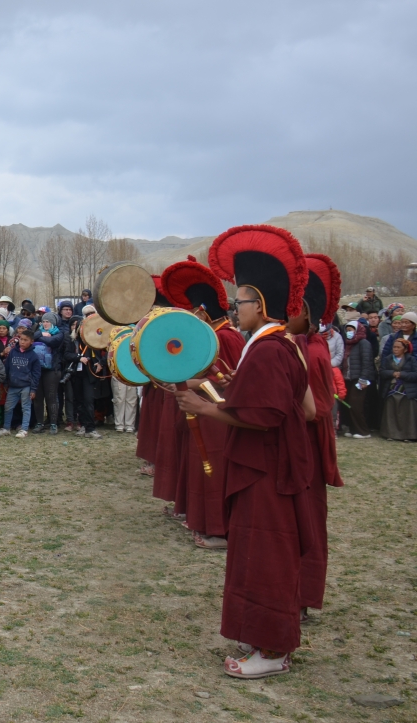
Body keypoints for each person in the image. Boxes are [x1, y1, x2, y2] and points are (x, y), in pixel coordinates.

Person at [176, 223, 315, 679]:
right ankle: (263, 639)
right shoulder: (276, 345)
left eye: (240, 302)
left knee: (266, 554)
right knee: (257, 552)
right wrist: (233, 386)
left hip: (268, 471)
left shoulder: (272, 349)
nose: (234, 310)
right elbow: (282, 401)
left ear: (262, 305)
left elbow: (267, 416)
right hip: (267, 466)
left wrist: (204, 406)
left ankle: (272, 651)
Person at [161, 256, 247, 549]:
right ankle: (196, 517)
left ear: (203, 312)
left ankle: (217, 529)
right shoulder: (213, 334)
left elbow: (230, 381)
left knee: (213, 471)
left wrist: (187, 384)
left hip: (218, 414)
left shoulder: (227, 337)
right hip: (202, 410)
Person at [290, 253, 344, 621]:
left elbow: (316, 408)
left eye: (290, 308)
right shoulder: (297, 347)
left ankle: (304, 596)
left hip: (305, 448)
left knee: (306, 521)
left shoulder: (313, 352)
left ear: (306, 314)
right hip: (297, 445)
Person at [1, 329, 40, 437]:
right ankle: (6, 428)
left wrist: (33, 389)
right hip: (13, 386)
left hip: (26, 386)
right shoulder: (13, 352)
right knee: (8, 407)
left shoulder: (33, 356)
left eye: (25, 340)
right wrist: (5, 382)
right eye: (21, 339)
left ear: (31, 341)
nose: (22, 342)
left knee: (26, 408)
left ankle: (24, 429)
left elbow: (36, 374)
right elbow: (7, 367)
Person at [342, 317, 376, 438]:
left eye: (351, 329)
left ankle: (363, 431)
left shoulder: (364, 343)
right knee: (348, 405)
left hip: (360, 378)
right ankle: (353, 428)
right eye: (348, 330)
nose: (349, 332)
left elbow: (367, 362)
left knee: (356, 405)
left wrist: (363, 378)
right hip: (349, 378)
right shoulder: (347, 344)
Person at [380, 338, 417, 441]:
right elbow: (382, 372)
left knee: (407, 413)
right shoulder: (388, 359)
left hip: (406, 390)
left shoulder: (411, 359)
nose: (395, 349)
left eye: (398, 347)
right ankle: (390, 434)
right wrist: (392, 373)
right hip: (391, 389)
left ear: (405, 350)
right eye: (394, 347)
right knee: (391, 413)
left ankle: (408, 435)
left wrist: (402, 374)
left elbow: (415, 374)